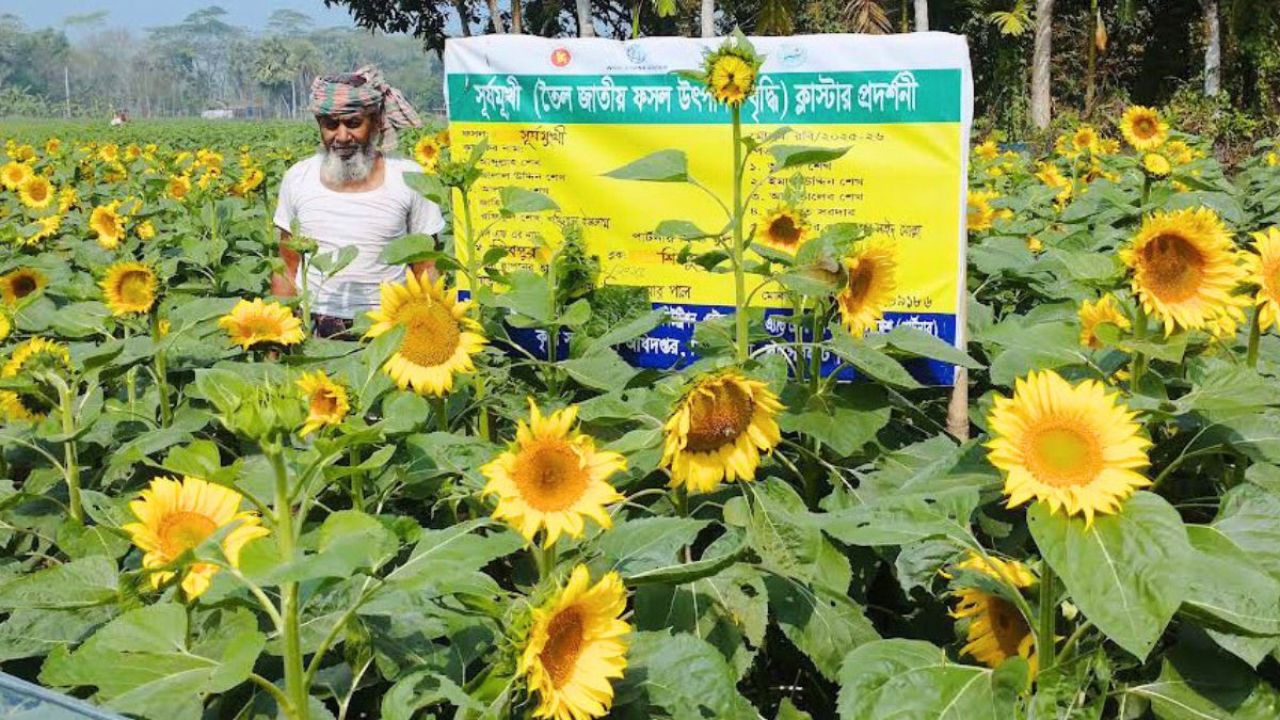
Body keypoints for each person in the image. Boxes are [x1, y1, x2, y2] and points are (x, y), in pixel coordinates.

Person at [271, 65, 443, 338]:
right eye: (330, 125)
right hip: (314, 324)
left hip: (390, 324)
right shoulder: (298, 178)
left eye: (353, 123)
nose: (341, 136)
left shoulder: (409, 177)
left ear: (375, 122)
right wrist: (276, 339)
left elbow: (426, 268)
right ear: (319, 125)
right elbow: (287, 269)